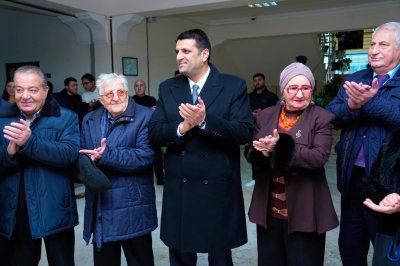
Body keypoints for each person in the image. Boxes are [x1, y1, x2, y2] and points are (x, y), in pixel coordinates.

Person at [148, 28, 253, 266]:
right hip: (180, 186)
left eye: (186, 51)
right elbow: (154, 133)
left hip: (216, 185)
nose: (179, 56)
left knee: (219, 255)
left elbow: (244, 131)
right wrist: (183, 127)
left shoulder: (232, 86)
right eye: (177, 51)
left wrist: (205, 121)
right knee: (180, 253)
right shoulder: (168, 87)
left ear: (204, 54)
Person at [248, 62, 338, 266]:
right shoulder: (265, 115)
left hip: (306, 210)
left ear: (312, 90)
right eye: (293, 88)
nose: (299, 94)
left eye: (305, 88)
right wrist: (261, 152)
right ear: (283, 90)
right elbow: (250, 151)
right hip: (269, 209)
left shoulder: (321, 118)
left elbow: (318, 157)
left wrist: (280, 147)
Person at [326, 21, 400, 266]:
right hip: (352, 178)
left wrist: (369, 102)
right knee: (350, 247)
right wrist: (352, 105)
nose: (374, 50)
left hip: (388, 183)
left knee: (385, 252)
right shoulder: (356, 78)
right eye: (373, 43)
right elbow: (331, 117)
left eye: (383, 44)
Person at [0, 65, 79, 265]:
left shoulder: (66, 117)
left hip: (55, 207)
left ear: (45, 90)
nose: (25, 96)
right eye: (19, 89)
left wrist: (29, 142)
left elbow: (69, 155)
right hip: (15, 209)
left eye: (32, 90)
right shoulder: (3, 118)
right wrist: (9, 152)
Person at [80, 73, 157, 266]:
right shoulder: (89, 119)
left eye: (120, 92)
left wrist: (107, 155)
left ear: (128, 93)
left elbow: (145, 156)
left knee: (140, 260)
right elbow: (82, 153)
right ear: (100, 99)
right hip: (101, 203)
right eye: (109, 94)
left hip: (133, 203)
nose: (115, 97)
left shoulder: (146, 115)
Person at [246, 73, 279, 187]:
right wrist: (251, 114)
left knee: (268, 154)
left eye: (259, 80)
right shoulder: (248, 97)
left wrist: (263, 114)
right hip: (253, 130)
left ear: (264, 81)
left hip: (268, 130)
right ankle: (255, 179)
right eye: (255, 80)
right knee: (254, 154)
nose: (257, 82)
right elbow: (243, 112)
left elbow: (277, 112)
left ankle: (270, 179)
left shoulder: (272, 97)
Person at [132, 79, 164, 185]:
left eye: (141, 85)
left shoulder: (152, 99)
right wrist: (149, 110)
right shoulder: (131, 101)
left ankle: (160, 179)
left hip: (151, 130)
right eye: (137, 86)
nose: (139, 87)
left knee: (157, 155)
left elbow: (157, 115)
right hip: (137, 132)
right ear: (134, 88)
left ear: (145, 87)